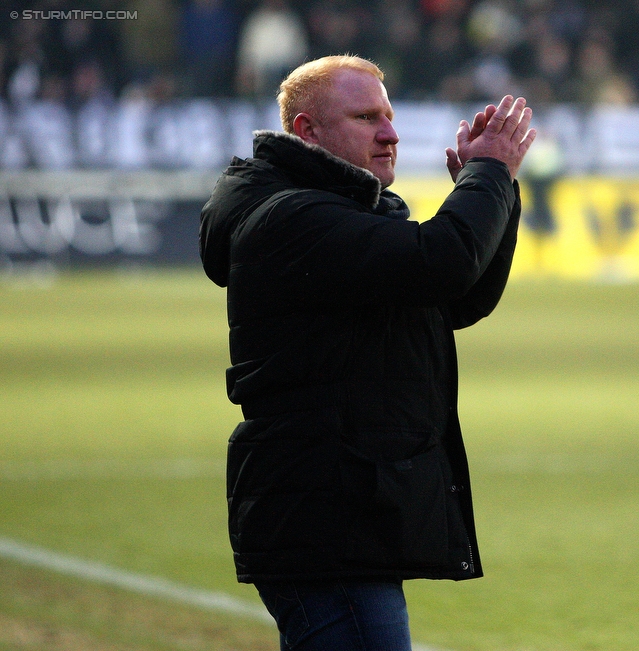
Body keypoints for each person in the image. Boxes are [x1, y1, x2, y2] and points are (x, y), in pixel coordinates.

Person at [199, 54, 535, 651]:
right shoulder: (295, 218)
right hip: (325, 517)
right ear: (308, 132)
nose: (390, 132)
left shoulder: (336, 211)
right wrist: (488, 173)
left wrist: (494, 187)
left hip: (337, 510)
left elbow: (452, 299)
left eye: (388, 114)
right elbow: (442, 261)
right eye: (365, 117)